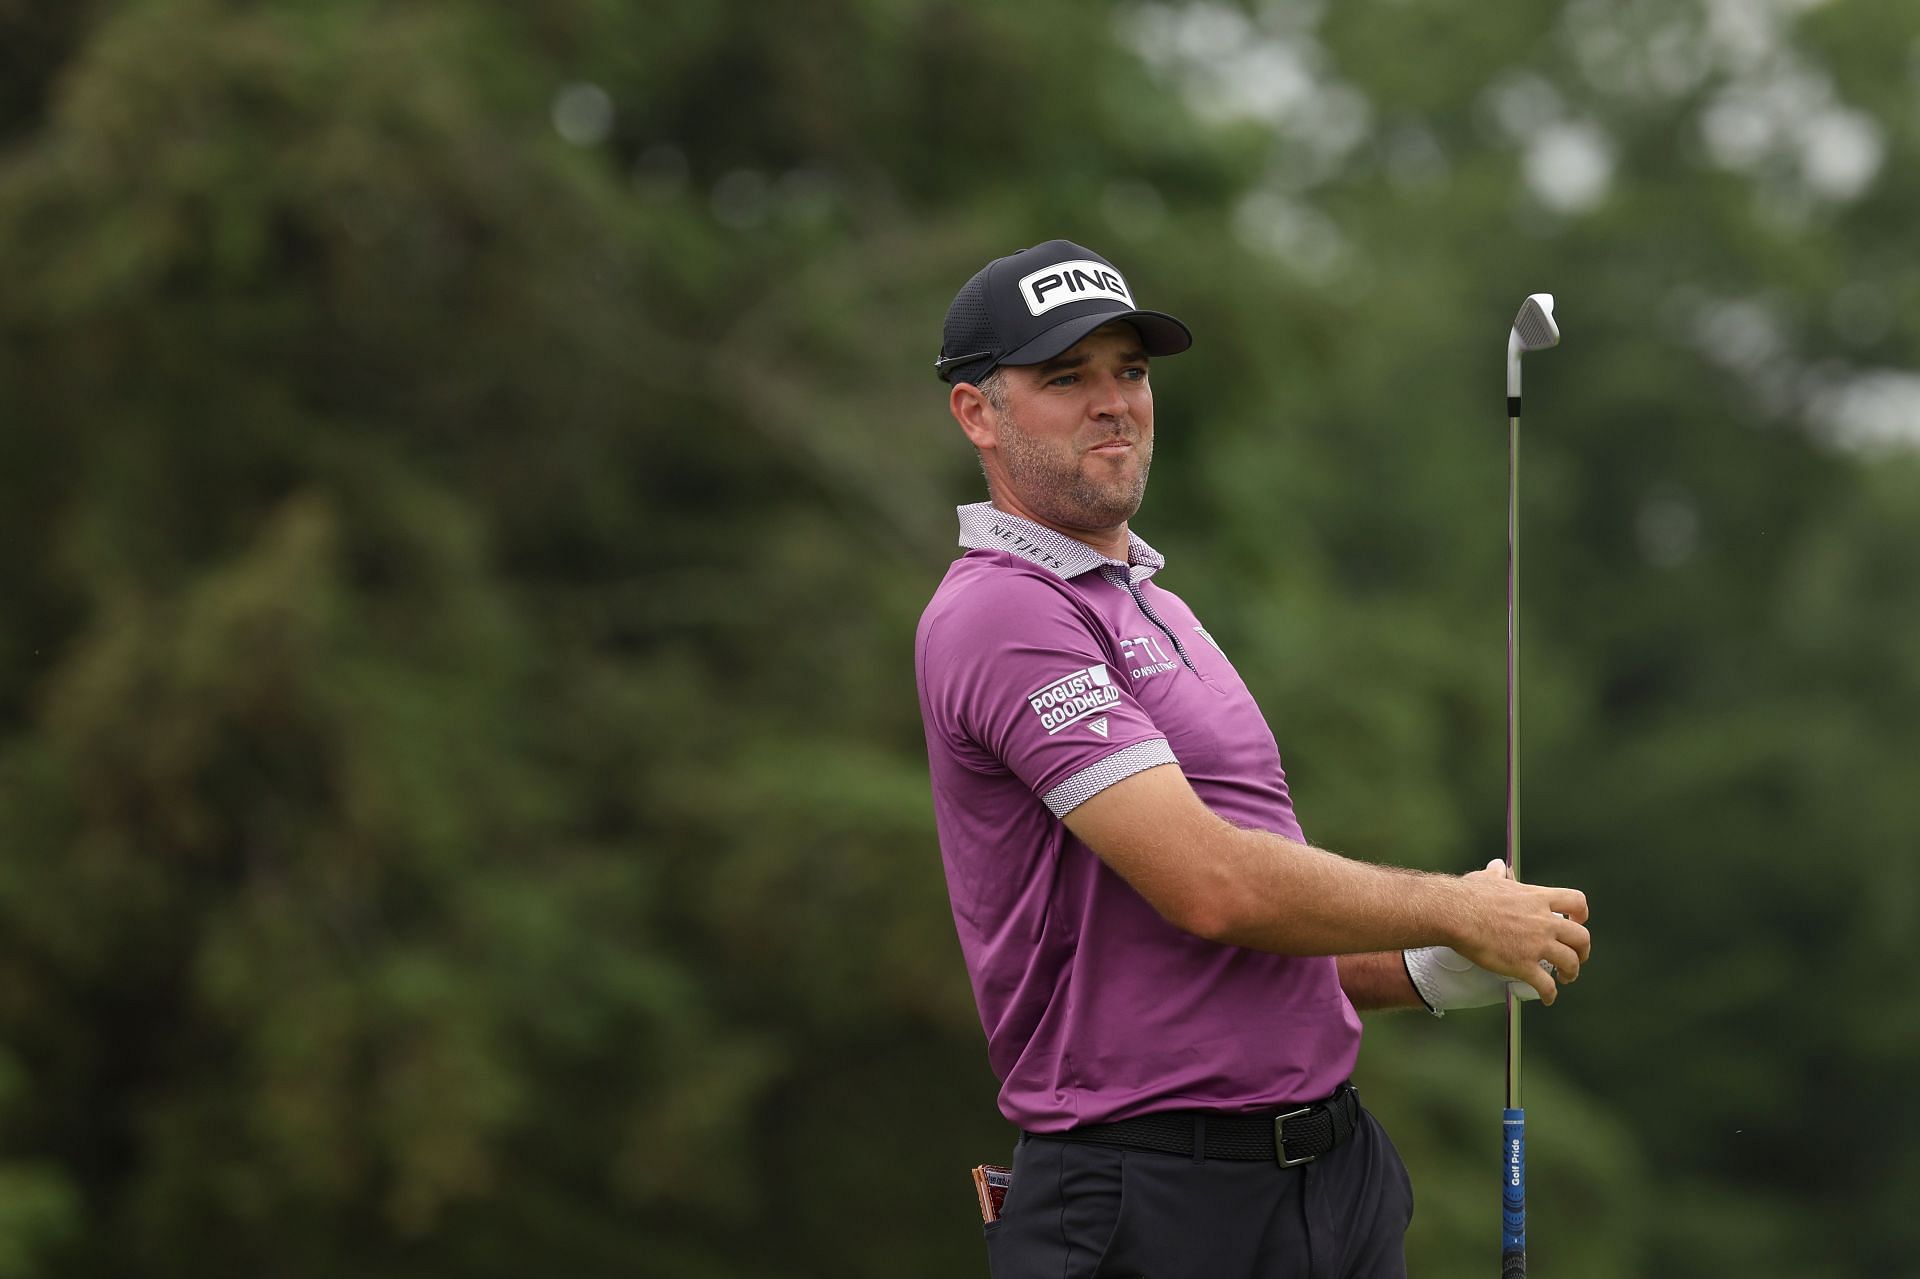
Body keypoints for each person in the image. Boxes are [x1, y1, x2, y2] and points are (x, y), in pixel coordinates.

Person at [914, 239, 1593, 1279]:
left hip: (1327, 1182)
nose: (1113, 403)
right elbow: (1212, 887)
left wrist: (1428, 966)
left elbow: (1233, 946)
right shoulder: (1005, 610)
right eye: (1065, 378)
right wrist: (1451, 906)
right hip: (1150, 1199)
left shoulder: (1159, 604)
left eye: (1129, 372)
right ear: (977, 413)